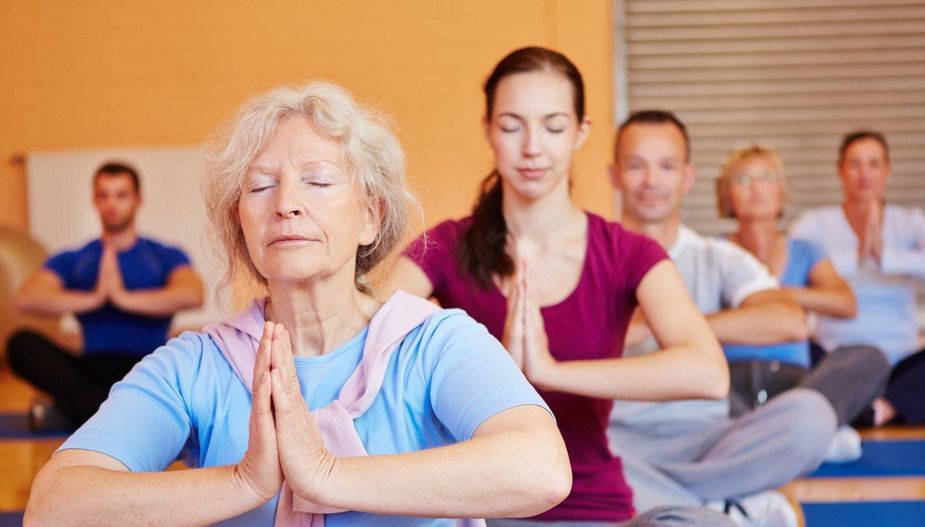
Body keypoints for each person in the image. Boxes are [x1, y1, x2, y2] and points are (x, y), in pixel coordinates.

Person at [24, 81, 573, 526]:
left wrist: (326, 475)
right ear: (241, 226)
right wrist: (243, 482)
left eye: (317, 182)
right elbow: (55, 506)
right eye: (261, 187)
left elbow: (541, 469)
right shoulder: (196, 364)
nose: (286, 204)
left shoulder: (435, 343)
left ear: (372, 217)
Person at [389, 47, 733, 526]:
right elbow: (360, 328)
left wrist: (548, 371)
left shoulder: (627, 253)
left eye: (552, 127)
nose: (533, 147)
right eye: (512, 127)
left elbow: (707, 373)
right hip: (479, 506)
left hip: (591, 506)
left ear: (580, 133)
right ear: (488, 129)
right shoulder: (446, 246)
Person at [607, 110, 867, 525]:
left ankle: (675, 502)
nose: (652, 180)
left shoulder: (717, 257)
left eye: (667, 166)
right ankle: (721, 508)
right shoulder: (586, 256)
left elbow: (788, 320)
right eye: (636, 166)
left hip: (710, 437)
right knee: (565, 455)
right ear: (615, 175)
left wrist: (674, 325)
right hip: (616, 440)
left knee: (810, 418)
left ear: (688, 177)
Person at [8, 162, 204, 429]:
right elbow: (27, 298)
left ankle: (79, 413)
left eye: (121, 195)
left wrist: (123, 298)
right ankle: (116, 413)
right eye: (104, 195)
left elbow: (192, 294)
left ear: (137, 200)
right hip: (91, 369)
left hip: (148, 367)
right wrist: (95, 298)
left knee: (200, 348)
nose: (112, 204)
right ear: (95, 201)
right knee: (21, 343)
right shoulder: (77, 258)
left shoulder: (163, 255)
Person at [715, 145, 888, 421]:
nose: (756, 188)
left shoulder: (805, 251)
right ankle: (793, 433)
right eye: (743, 180)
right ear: (727, 195)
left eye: (768, 178)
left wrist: (769, 293)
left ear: (782, 192)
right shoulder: (711, 252)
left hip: (795, 385)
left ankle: (767, 430)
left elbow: (846, 303)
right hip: (727, 385)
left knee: (869, 358)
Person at [790, 130, 925, 425]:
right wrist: (856, 257)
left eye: (874, 163)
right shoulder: (815, 223)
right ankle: (879, 407)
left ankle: (883, 408)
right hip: (835, 358)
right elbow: (789, 274)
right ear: (840, 171)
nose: (864, 173)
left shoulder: (910, 222)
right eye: (854, 164)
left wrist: (887, 259)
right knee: (792, 347)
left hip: (900, 363)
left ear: (887, 170)